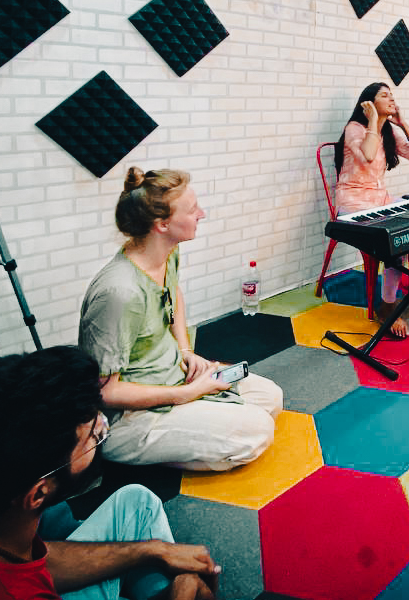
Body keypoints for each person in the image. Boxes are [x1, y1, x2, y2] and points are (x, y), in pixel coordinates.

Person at [0, 345, 274, 600]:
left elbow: (31, 565)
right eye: (91, 438)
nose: (100, 431)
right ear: (38, 492)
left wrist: (154, 549)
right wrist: (184, 587)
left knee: (136, 501)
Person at [79, 168, 283, 471]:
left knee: (271, 397)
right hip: (129, 419)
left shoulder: (167, 254)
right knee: (258, 430)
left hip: (173, 375)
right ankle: (159, 440)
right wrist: (187, 394)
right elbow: (104, 392)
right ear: (162, 224)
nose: (202, 213)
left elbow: (173, 291)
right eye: (192, 210)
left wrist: (186, 352)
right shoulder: (119, 293)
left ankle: (195, 418)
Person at [333, 82, 409, 338]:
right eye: (385, 95)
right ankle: (388, 306)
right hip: (354, 204)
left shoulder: (388, 132)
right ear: (369, 103)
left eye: (392, 95)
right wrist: (372, 121)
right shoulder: (354, 129)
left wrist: (403, 124)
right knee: (397, 240)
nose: (392, 99)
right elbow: (368, 156)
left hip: (380, 201)